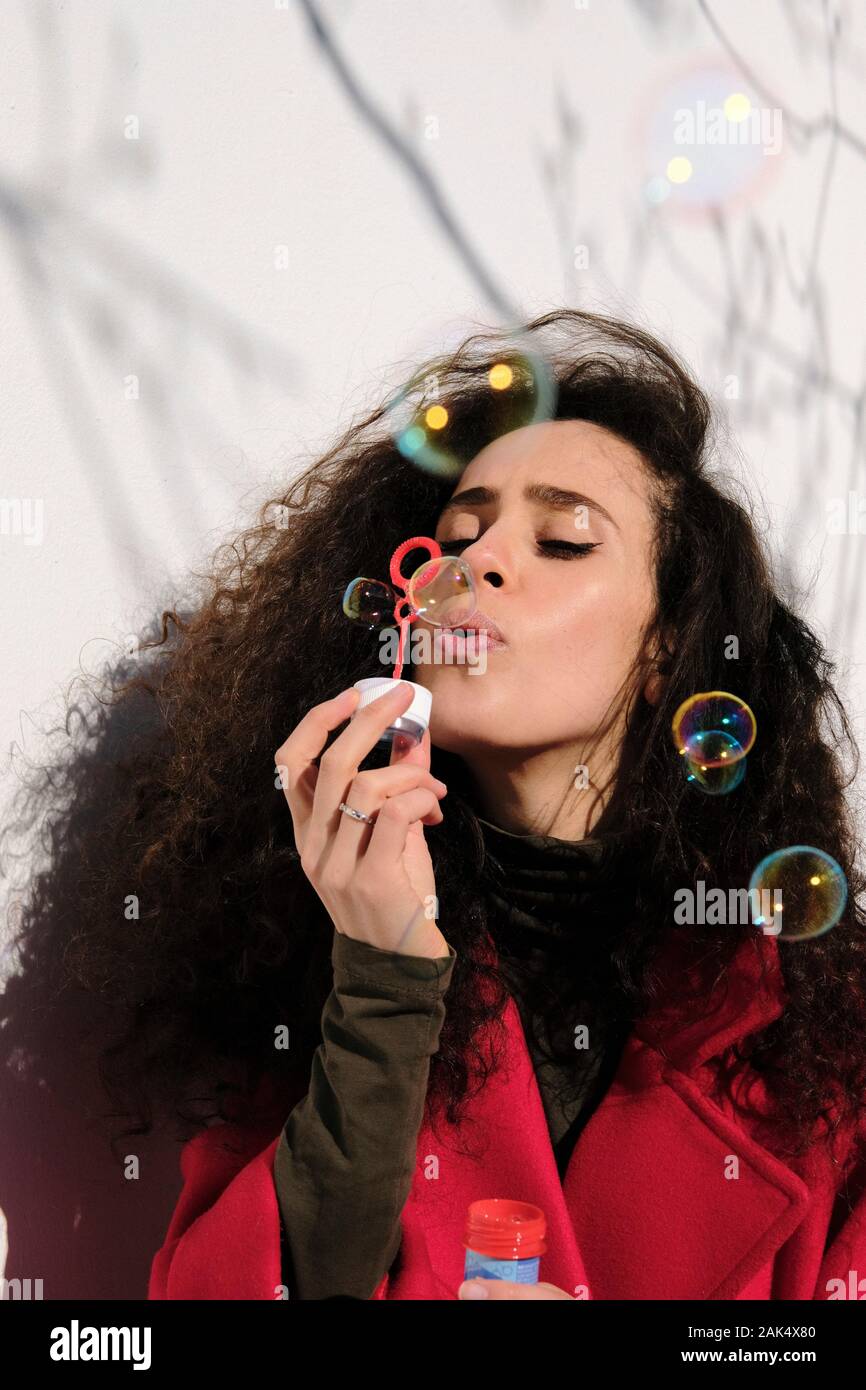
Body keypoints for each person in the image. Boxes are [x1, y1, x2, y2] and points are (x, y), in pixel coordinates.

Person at [5, 310, 866, 1300]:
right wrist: (382, 978)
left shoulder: (822, 1038)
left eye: (560, 538)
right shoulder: (311, 957)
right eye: (456, 534)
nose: (472, 563)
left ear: (666, 649)